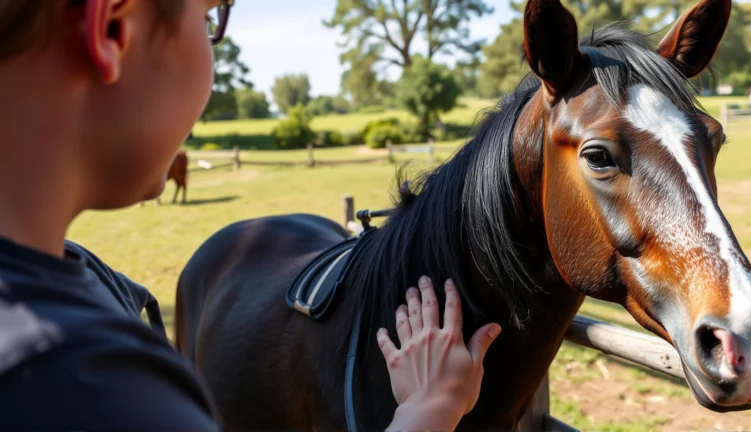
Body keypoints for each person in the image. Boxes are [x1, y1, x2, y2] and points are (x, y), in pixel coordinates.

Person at [0, 1, 501, 431]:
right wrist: (428, 411)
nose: (212, 44)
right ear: (112, 27)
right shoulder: (92, 388)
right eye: (209, 17)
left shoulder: (59, 314)